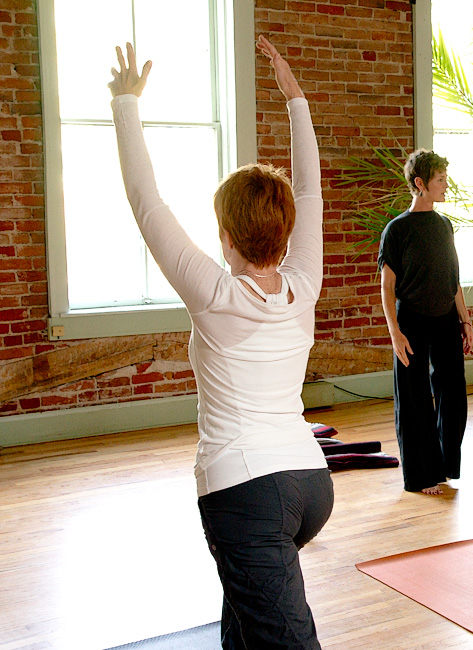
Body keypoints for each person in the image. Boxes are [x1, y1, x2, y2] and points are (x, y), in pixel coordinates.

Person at [109, 37, 333, 648]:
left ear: (226, 236)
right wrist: (294, 98)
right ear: (285, 234)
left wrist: (126, 104)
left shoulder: (214, 294)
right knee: (245, 617)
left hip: (248, 492)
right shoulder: (304, 282)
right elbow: (309, 192)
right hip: (310, 483)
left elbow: (146, 202)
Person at [378, 150, 473, 495]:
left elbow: (453, 278)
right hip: (411, 321)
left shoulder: (444, 225)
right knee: (414, 397)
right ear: (420, 183)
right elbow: (387, 286)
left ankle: (444, 465)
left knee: (454, 395)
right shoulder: (397, 230)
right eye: (440, 180)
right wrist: (394, 332)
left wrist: (465, 320)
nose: (447, 185)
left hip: (446, 317)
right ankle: (421, 476)